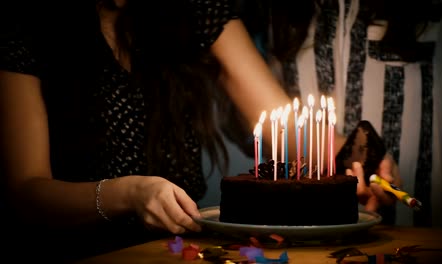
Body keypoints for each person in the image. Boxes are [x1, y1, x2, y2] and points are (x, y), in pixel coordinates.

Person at [0, 0, 299, 261]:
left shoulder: (193, 7)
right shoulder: (25, 24)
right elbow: (25, 194)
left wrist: (342, 155)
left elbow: (287, 127)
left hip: (175, 253)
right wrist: (131, 193)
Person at [218, 0, 442, 227]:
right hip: (306, 223)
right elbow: (244, 84)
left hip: (431, 221)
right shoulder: (266, 7)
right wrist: (350, 160)